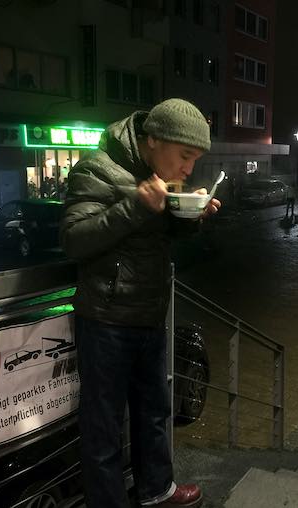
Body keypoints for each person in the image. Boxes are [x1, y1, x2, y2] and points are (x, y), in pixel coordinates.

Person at [60, 98, 220, 508]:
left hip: (150, 314)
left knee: (154, 412)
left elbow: (160, 238)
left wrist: (191, 219)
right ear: (153, 139)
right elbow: (75, 240)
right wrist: (136, 205)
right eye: (185, 156)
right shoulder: (96, 169)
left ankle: (157, 491)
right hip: (105, 319)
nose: (188, 168)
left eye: (195, 159)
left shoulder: (158, 175)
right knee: (103, 427)